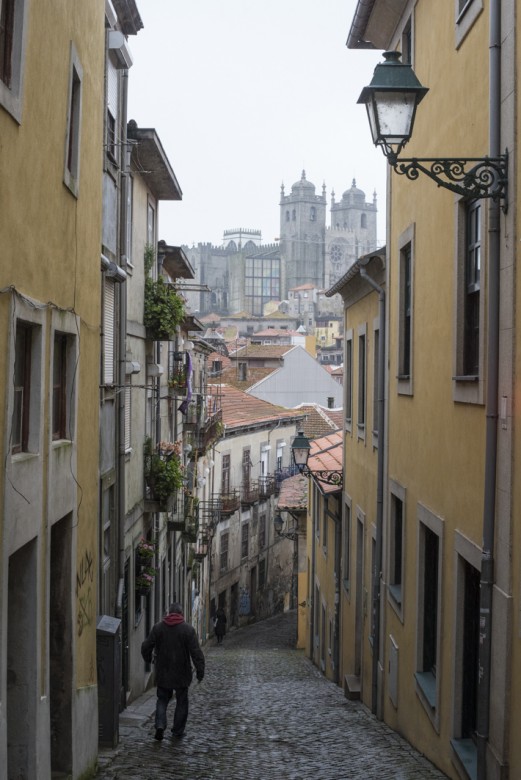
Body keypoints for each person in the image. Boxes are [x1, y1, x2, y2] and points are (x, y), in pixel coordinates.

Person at [141, 602, 205, 741]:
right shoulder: (188, 630)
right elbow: (196, 653)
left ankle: (160, 724)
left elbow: (146, 646)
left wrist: (149, 659)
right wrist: (200, 671)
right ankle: (177, 731)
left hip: (163, 671)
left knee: (162, 699)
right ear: (181, 614)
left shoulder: (158, 628)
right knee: (182, 701)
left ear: (169, 613)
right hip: (182, 672)